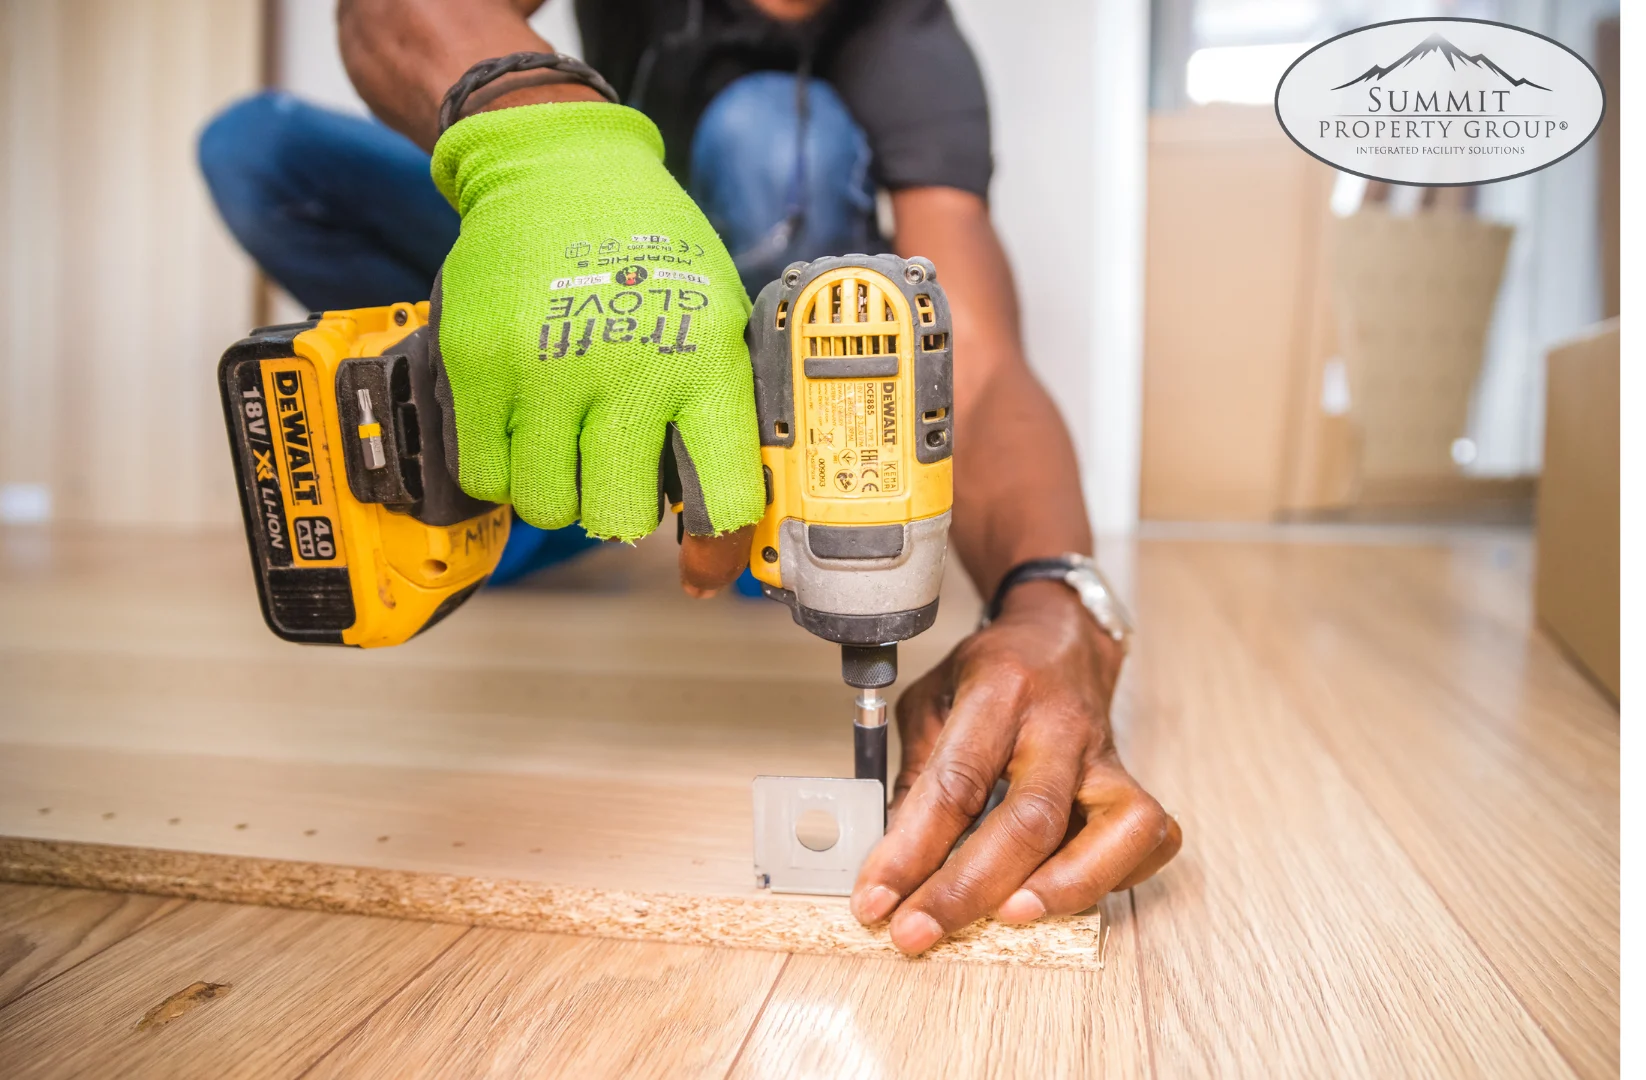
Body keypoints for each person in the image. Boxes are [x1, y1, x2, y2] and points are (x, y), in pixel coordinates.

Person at [197, 0, 1181, 955]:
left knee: (772, 132)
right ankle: (555, 454)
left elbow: (981, 362)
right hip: (575, 258)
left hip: (744, 346)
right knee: (262, 149)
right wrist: (548, 146)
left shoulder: (909, 37)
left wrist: (1054, 600)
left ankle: (701, 485)